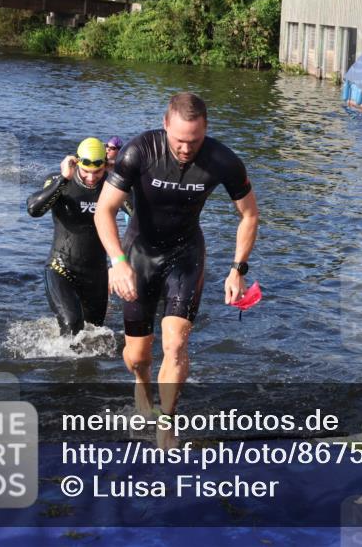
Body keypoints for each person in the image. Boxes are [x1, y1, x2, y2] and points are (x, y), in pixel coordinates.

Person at [94, 93, 258, 440]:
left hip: (185, 255)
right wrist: (117, 262)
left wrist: (237, 269)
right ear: (166, 125)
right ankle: (141, 381)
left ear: (206, 130)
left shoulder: (222, 160)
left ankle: (167, 422)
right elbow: (104, 210)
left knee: (175, 342)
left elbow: (249, 215)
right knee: (138, 355)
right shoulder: (140, 151)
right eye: (180, 140)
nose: (186, 149)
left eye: (194, 141)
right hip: (138, 255)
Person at [28, 138, 125, 336]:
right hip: (60, 268)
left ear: (105, 166)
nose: (91, 178)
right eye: (86, 172)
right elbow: (34, 209)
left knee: (95, 335)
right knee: (72, 325)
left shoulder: (111, 186)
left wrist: (122, 176)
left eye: (97, 172)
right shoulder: (61, 180)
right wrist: (64, 178)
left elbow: (137, 211)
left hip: (96, 274)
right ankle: (60, 366)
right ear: (77, 163)